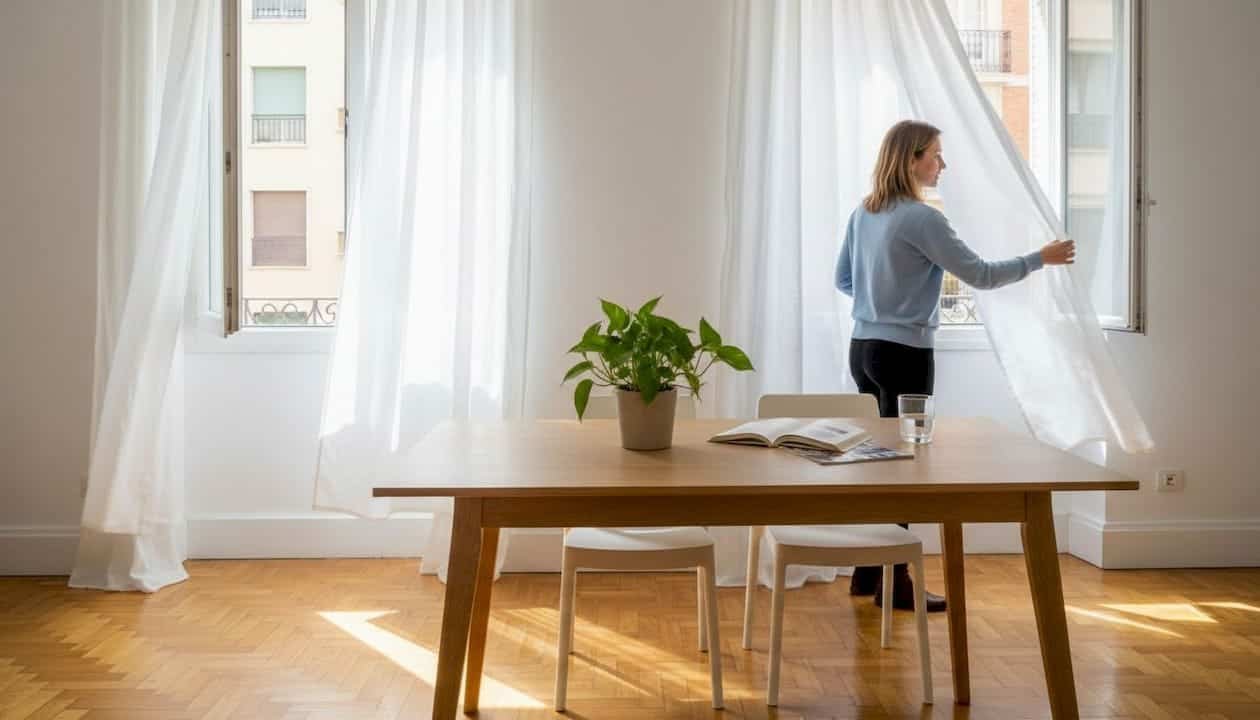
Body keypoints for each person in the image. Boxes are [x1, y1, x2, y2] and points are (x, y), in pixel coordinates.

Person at [835, 120, 1076, 611]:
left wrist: (880, 301)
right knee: (903, 468)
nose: (942, 165)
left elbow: (843, 279)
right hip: (904, 354)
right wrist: (1040, 258)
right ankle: (895, 581)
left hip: (863, 349)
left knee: (877, 464)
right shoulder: (923, 220)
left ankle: (867, 572)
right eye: (936, 156)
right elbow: (982, 275)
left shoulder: (865, 211)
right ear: (911, 160)